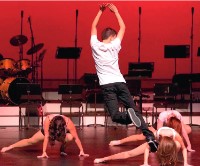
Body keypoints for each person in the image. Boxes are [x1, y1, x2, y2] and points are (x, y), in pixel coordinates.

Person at [90, 3, 158, 152]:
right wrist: (116, 12)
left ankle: (128, 116)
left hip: (107, 86)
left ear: (102, 37)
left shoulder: (94, 45)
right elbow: (123, 27)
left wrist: (100, 12)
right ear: (113, 37)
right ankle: (150, 137)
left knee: (114, 115)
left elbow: (93, 26)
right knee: (135, 110)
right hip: (120, 83)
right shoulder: (115, 45)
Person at [94, 118, 192, 166]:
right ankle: (103, 159)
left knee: (178, 145)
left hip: (170, 146)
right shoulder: (157, 134)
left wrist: (186, 163)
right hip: (158, 143)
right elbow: (147, 148)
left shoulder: (176, 136)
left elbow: (183, 148)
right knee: (129, 153)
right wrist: (145, 163)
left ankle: (169, 161)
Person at [1, 114, 89, 158]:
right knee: (31, 140)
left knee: (71, 137)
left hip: (61, 134)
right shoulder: (48, 119)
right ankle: (10, 147)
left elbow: (76, 138)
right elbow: (47, 136)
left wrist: (81, 151)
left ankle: (62, 149)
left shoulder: (69, 123)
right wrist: (44, 152)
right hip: (48, 132)